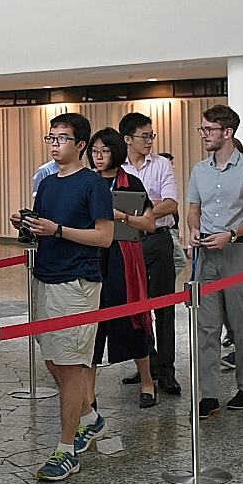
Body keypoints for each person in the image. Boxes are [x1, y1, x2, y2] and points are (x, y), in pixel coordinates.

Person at [11, 112, 114, 480]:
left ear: (81, 145)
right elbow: (45, 232)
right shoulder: (48, 183)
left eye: (62, 139)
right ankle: (90, 417)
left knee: (70, 365)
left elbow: (104, 236)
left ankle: (66, 447)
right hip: (45, 278)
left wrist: (58, 229)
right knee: (54, 359)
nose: (55, 144)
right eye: (51, 138)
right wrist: (30, 226)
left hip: (77, 282)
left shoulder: (93, 185)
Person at [185, 105, 243, 414]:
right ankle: (208, 394)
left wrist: (231, 234)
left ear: (227, 133)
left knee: (240, 323)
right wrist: (193, 228)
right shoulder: (199, 170)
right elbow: (194, 208)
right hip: (206, 254)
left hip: (237, 252)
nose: (204, 135)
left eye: (209, 130)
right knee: (206, 326)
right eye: (202, 130)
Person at [90, 129, 158, 405]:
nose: (98, 156)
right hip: (92, 257)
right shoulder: (86, 182)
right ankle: (88, 394)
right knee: (91, 327)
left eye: (104, 151)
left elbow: (149, 223)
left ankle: (147, 382)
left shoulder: (130, 182)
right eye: (94, 151)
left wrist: (122, 216)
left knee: (131, 321)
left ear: (116, 152)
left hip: (122, 258)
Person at [119, 112, 181, 395]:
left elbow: (170, 204)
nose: (149, 141)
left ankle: (167, 370)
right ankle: (147, 365)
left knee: (164, 307)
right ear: (128, 139)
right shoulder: (118, 169)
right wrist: (143, 212)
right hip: (128, 244)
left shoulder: (161, 166)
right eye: (145, 136)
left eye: (151, 136)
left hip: (158, 240)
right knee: (137, 308)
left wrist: (135, 213)